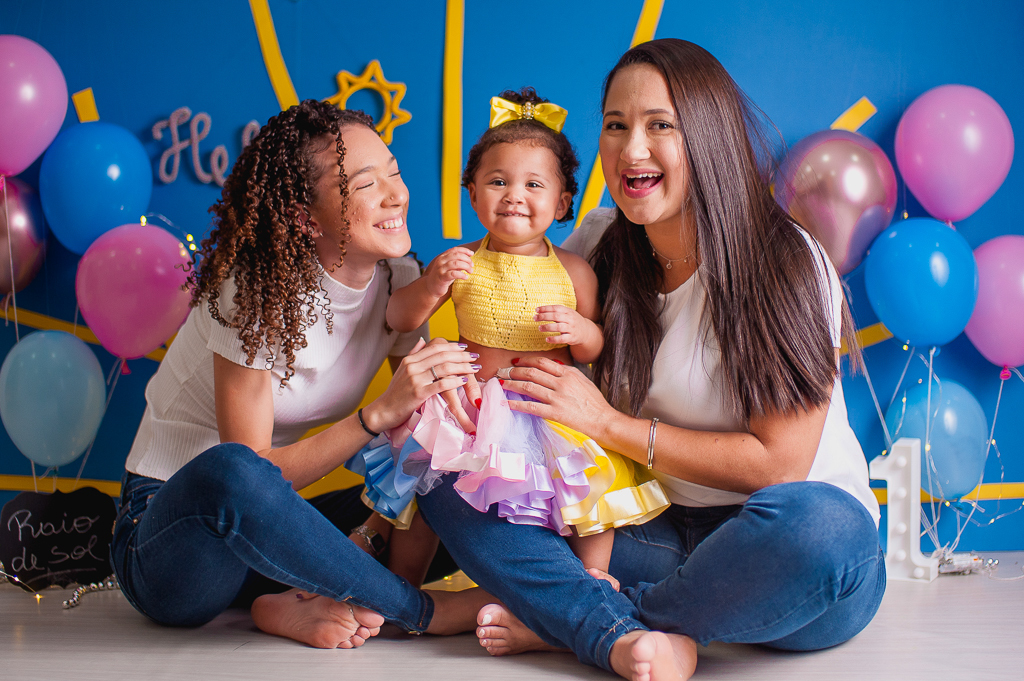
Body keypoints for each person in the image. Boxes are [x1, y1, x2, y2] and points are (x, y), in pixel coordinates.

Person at [417, 39, 885, 681]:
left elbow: (779, 466)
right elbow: (499, 345)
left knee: (826, 528)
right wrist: (457, 387)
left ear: (708, 136)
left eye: (659, 125)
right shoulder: (593, 250)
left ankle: (587, 620)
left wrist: (609, 424)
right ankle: (614, 618)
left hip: (773, 548)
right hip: (649, 533)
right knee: (443, 473)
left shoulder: (782, 260)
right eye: (615, 125)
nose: (632, 149)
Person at [108, 100, 491, 649]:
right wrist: (374, 416)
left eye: (395, 171)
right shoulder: (250, 292)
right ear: (305, 217)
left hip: (271, 533)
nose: (395, 193)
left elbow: (427, 428)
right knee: (233, 469)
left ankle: (286, 600)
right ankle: (417, 612)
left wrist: (468, 402)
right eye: (365, 184)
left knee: (459, 484)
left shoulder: (399, 283)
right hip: (175, 538)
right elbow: (252, 478)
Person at [351, 88, 668, 575]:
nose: (514, 195)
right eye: (497, 181)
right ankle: (402, 585)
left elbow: (598, 346)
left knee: (585, 491)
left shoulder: (573, 271)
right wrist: (433, 283)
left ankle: (593, 579)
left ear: (563, 202)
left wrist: (580, 328)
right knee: (424, 492)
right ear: (472, 192)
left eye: (534, 185)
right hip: (467, 407)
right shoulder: (460, 261)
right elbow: (400, 318)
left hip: (542, 409)